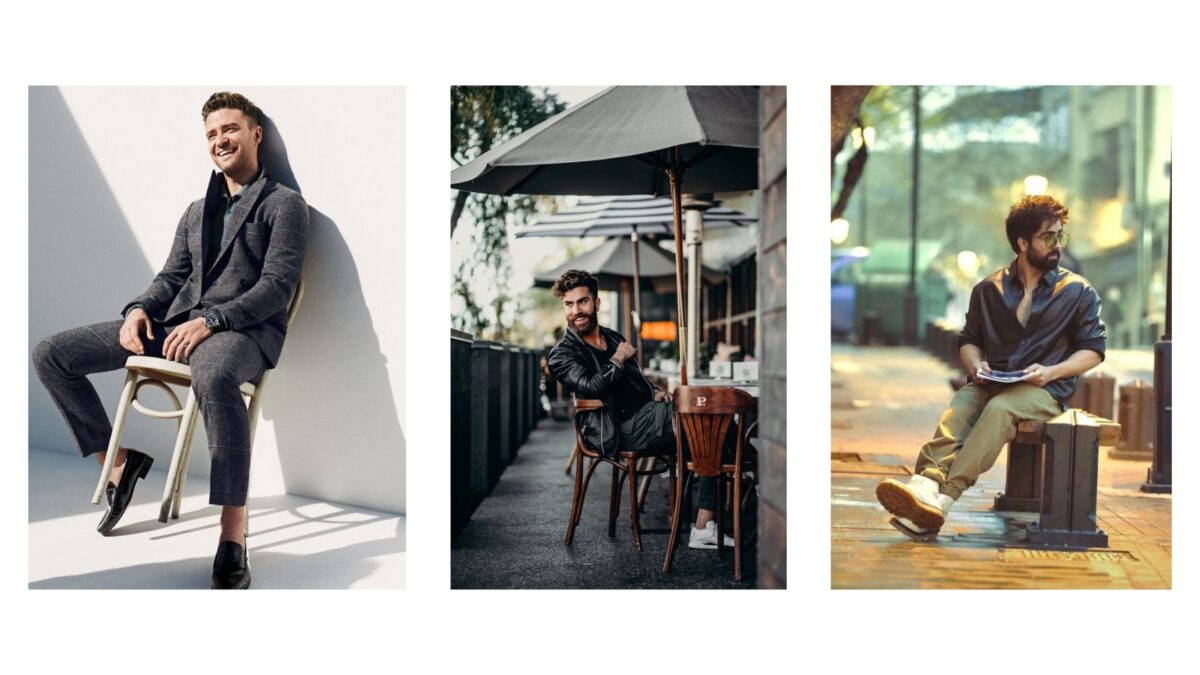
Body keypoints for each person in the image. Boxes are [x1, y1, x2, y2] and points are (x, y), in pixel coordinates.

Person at [32, 92, 308, 588]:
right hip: (174, 327)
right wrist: (138, 310)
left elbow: (277, 288)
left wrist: (214, 321)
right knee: (52, 354)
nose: (220, 140)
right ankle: (118, 466)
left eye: (230, 129)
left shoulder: (285, 206)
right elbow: (169, 278)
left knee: (213, 372)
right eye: (212, 134)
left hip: (242, 333)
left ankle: (232, 532)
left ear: (255, 134)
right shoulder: (195, 211)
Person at [875, 195, 1105, 537]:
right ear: (1022, 242)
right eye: (1048, 236)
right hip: (993, 380)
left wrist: (1051, 371)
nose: (1057, 244)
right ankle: (925, 484)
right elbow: (969, 339)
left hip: (1044, 389)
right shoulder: (988, 289)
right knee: (965, 402)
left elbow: (1094, 351)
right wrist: (976, 364)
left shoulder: (1078, 291)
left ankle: (944, 499)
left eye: (1061, 236)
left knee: (999, 409)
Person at [546, 269, 733, 550]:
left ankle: (709, 519)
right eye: (569, 304)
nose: (576, 311)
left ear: (596, 303)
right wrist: (618, 359)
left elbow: (638, 382)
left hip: (643, 417)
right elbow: (591, 386)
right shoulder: (562, 354)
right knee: (702, 422)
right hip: (611, 429)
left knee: (707, 424)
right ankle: (748, 472)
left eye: (582, 302)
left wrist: (655, 393)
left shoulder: (612, 336)